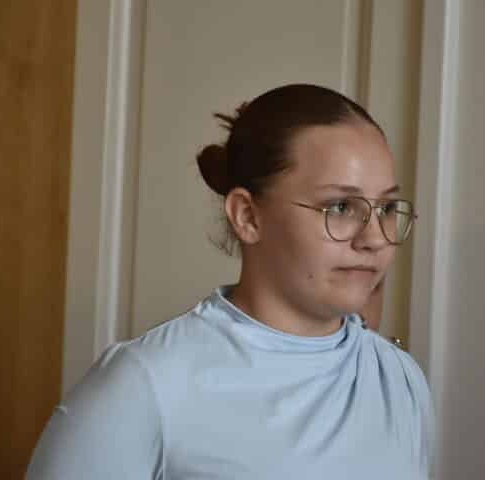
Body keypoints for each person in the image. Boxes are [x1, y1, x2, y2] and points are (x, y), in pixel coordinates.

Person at [27, 84, 434, 479]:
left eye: (386, 208)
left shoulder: (399, 377)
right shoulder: (143, 387)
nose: (375, 238)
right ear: (247, 216)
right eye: (341, 206)